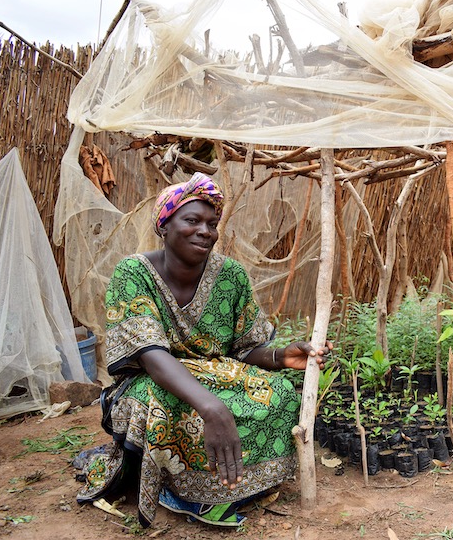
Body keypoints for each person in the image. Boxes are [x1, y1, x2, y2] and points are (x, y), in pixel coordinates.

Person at [77, 173, 327, 527]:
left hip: (217, 375)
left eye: (212, 223)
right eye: (192, 220)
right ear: (164, 226)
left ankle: (241, 484)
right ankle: (178, 489)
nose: (205, 231)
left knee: (283, 393)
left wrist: (280, 356)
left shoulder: (231, 276)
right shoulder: (133, 273)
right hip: (153, 382)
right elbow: (150, 356)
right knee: (168, 406)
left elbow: (246, 347)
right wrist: (211, 407)